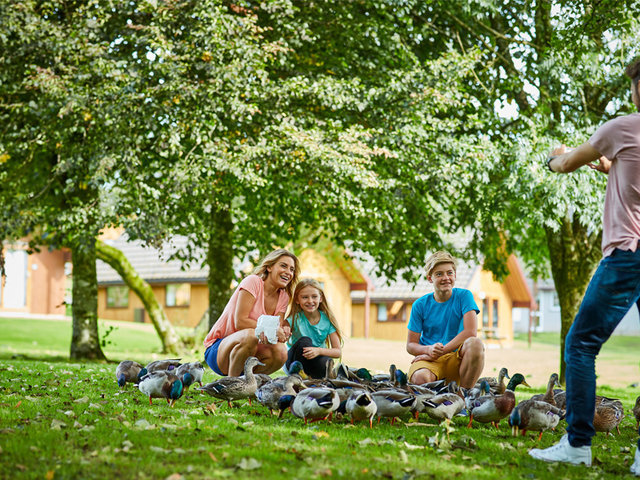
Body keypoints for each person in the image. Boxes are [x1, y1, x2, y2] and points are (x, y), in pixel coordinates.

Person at [528, 59, 640, 476]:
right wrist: (614, 169)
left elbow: (567, 163)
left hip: (628, 253)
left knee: (579, 346)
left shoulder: (622, 128)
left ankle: (576, 444)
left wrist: (554, 158)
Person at [203, 249, 300, 377]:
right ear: (269, 267)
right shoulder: (253, 282)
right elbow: (240, 322)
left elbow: (275, 330)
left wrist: (283, 330)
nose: (288, 272)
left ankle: (250, 383)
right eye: (283, 266)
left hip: (251, 352)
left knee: (281, 351)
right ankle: (232, 384)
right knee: (251, 335)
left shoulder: (284, 296)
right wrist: (271, 330)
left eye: (292, 269)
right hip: (219, 350)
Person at [406, 251, 485, 389]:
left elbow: (470, 332)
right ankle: (438, 398)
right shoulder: (419, 305)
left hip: (457, 359)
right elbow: (411, 345)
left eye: (449, 273)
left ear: (455, 275)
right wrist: (429, 350)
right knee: (420, 377)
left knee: (476, 344)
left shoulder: (464, 296)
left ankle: (464, 397)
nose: (446, 278)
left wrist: (442, 351)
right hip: (430, 361)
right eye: (439, 274)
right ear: (430, 278)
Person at [284, 278, 343, 379]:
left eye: (314, 296)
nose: (310, 301)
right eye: (305, 297)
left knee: (326, 362)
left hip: (315, 360)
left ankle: (312, 379)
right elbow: (283, 329)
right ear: (297, 300)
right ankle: (297, 377)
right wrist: (284, 330)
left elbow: (337, 352)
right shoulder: (294, 318)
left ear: (321, 298)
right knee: (305, 340)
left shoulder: (327, 320)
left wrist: (319, 351)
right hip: (294, 362)